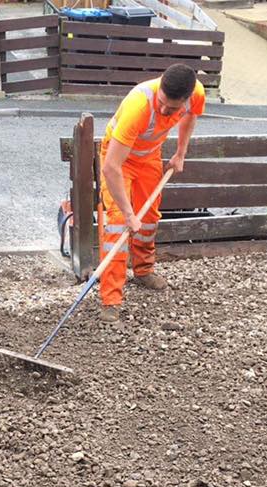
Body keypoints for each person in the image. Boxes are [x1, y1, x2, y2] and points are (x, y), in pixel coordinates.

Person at [98, 64, 205, 323]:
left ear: (187, 98)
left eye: (173, 108)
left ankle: (143, 270)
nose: (165, 111)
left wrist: (180, 153)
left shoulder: (197, 94)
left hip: (149, 158)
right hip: (119, 160)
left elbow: (190, 118)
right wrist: (127, 212)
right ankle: (110, 299)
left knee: (149, 219)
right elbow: (111, 167)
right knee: (117, 226)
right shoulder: (139, 105)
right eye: (163, 104)